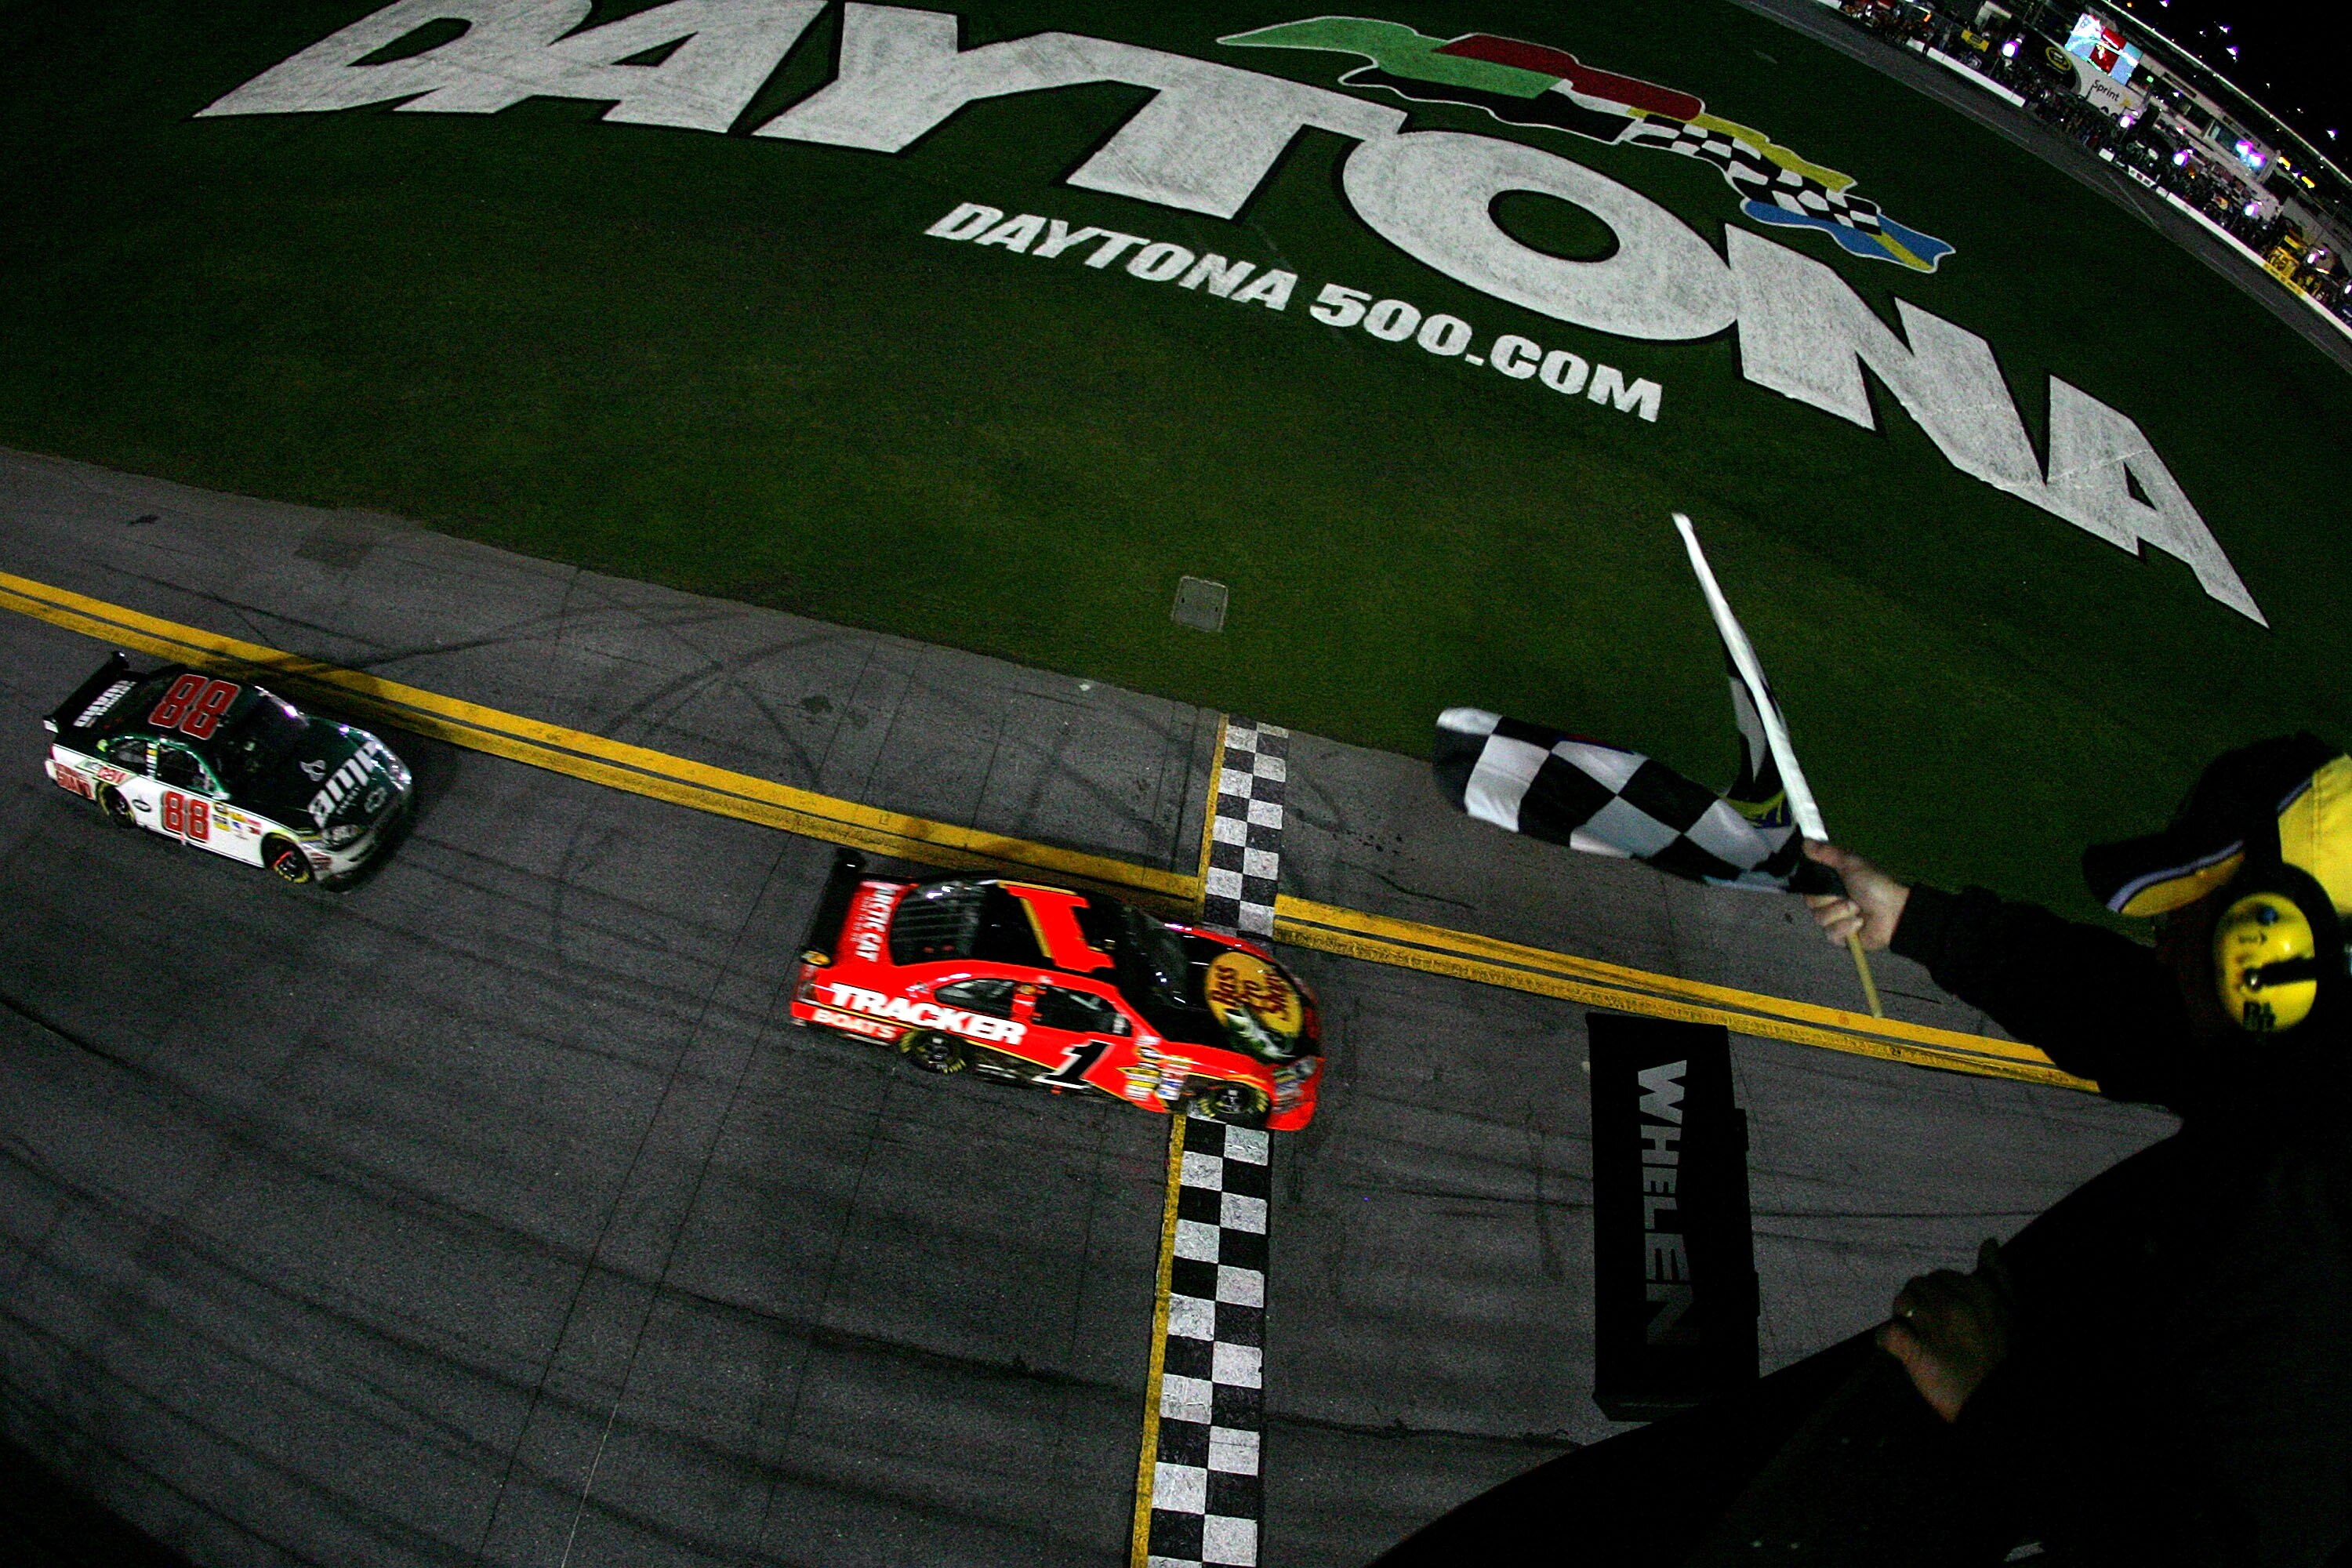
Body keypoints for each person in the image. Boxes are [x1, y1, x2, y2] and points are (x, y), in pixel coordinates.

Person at [1377, 735, 2352, 1566]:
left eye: (2195, 912)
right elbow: (2143, 1019)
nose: (2167, 940)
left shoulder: (2313, 1245)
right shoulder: (2300, 1078)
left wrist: (1997, 1399)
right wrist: (1919, 918)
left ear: (2267, 957)